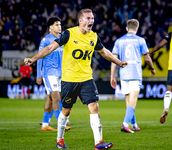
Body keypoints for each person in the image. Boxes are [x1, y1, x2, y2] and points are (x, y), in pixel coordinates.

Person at [24, 8, 127, 150]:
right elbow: (49, 48)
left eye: (92, 18)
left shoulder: (93, 37)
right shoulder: (68, 34)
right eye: (88, 18)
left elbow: (104, 52)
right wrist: (33, 59)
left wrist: (118, 62)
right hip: (69, 80)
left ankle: (99, 143)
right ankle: (59, 140)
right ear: (80, 20)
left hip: (86, 79)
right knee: (66, 111)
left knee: (94, 107)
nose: (91, 21)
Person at [110, 19, 156, 133]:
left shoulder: (119, 41)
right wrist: (152, 68)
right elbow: (147, 58)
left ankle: (134, 123)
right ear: (137, 28)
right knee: (133, 101)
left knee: (128, 100)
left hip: (123, 74)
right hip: (135, 73)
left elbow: (113, 59)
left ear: (127, 28)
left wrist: (112, 76)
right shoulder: (140, 40)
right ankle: (125, 124)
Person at [36, 17, 70, 131]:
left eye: (60, 24)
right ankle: (62, 124)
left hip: (61, 73)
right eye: (56, 24)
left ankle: (45, 125)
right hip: (49, 73)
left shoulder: (63, 39)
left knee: (50, 99)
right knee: (56, 98)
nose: (59, 26)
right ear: (50, 27)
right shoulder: (45, 40)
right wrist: (38, 75)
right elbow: (40, 57)